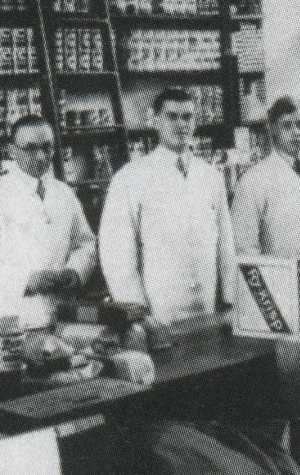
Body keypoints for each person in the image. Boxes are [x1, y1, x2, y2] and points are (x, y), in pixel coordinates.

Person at [0, 114, 96, 364]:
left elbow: (85, 243)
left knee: (67, 376)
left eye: (47, 147)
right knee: (15, 381)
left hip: (63, 316)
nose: (41, 156)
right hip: (14, 320)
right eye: (30, 148)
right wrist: (25, 281)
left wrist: (75, 272)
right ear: (12, 150)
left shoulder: (64, 194)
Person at [99, 88, 236, 324]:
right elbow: (116, 256)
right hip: (158, 315)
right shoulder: (130, 178)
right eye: (172, 117)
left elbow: (226, 243)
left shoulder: (211, 176)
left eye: (187, 117)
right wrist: (138, 315)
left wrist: (230, 298)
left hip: (208, 308)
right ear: (155, 120)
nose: (181, 124)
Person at [231, 96, 300, 304]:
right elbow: (244, 247)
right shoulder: (253, 180)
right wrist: (265, 299)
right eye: (287, 126)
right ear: (273, 129)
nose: (296, 132)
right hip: (278, 293)